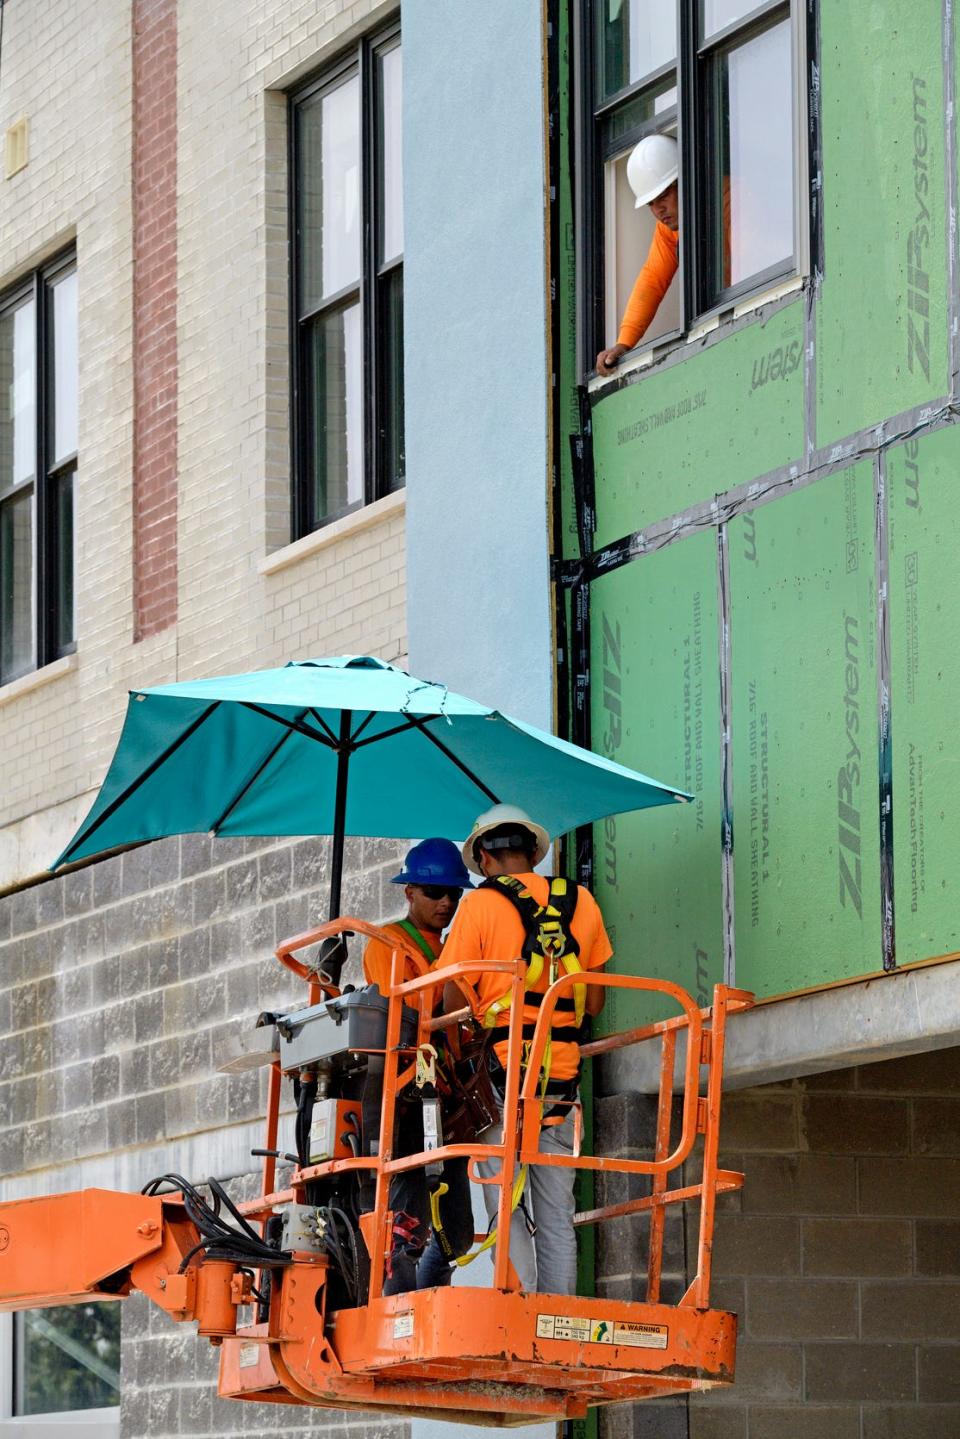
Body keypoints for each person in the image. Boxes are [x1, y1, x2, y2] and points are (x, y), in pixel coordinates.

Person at [434, 804, 612, 1295]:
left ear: (485, 861)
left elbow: (451, 996)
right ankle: (559, 1314)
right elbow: (593, 1000)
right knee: (557, 1211)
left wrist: (454, 1052)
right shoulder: (583, 902)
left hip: (501, 1079)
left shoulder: (479, 906)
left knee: (504, 1205)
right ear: (533, 853)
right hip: (562, 1082)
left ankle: (520, 1312)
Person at [362, 838, 475, 1294]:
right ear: (409, 892)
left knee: (457, 1232)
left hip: (447, 1094)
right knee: (405, 1224)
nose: (446, 901)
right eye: (435, 893)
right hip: (404, 1092)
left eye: (455, 893)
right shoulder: (387, 945)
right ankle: (401, 1310)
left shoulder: (455, 946)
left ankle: (426, 1299)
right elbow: (403, 1014)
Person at [596, 133, 680, 376]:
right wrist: (624, 343)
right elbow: (652, 279)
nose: (658, 210)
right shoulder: (668, 231)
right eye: (650, 203)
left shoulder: (728, 200)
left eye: (663, 196)